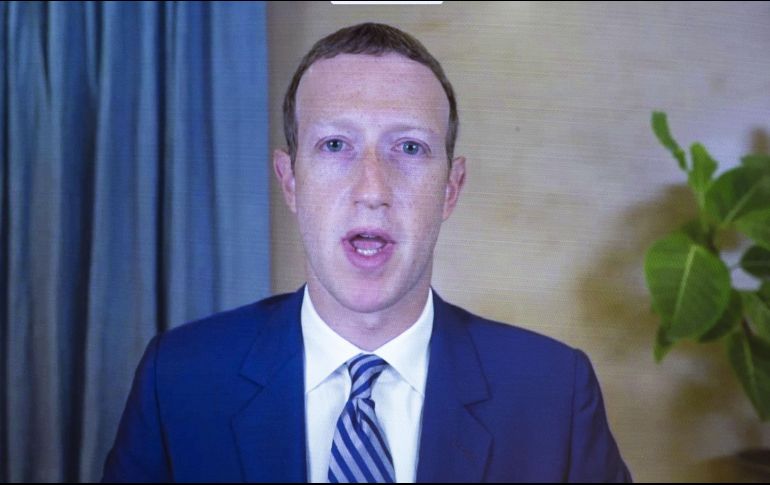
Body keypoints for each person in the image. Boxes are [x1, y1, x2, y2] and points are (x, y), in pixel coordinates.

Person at [102, 22, 631, 483]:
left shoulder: (554, 392)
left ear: (450, 188)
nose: (372, 189)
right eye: (335, 145)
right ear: (289, 181)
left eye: (409, 148)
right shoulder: (179, 380)